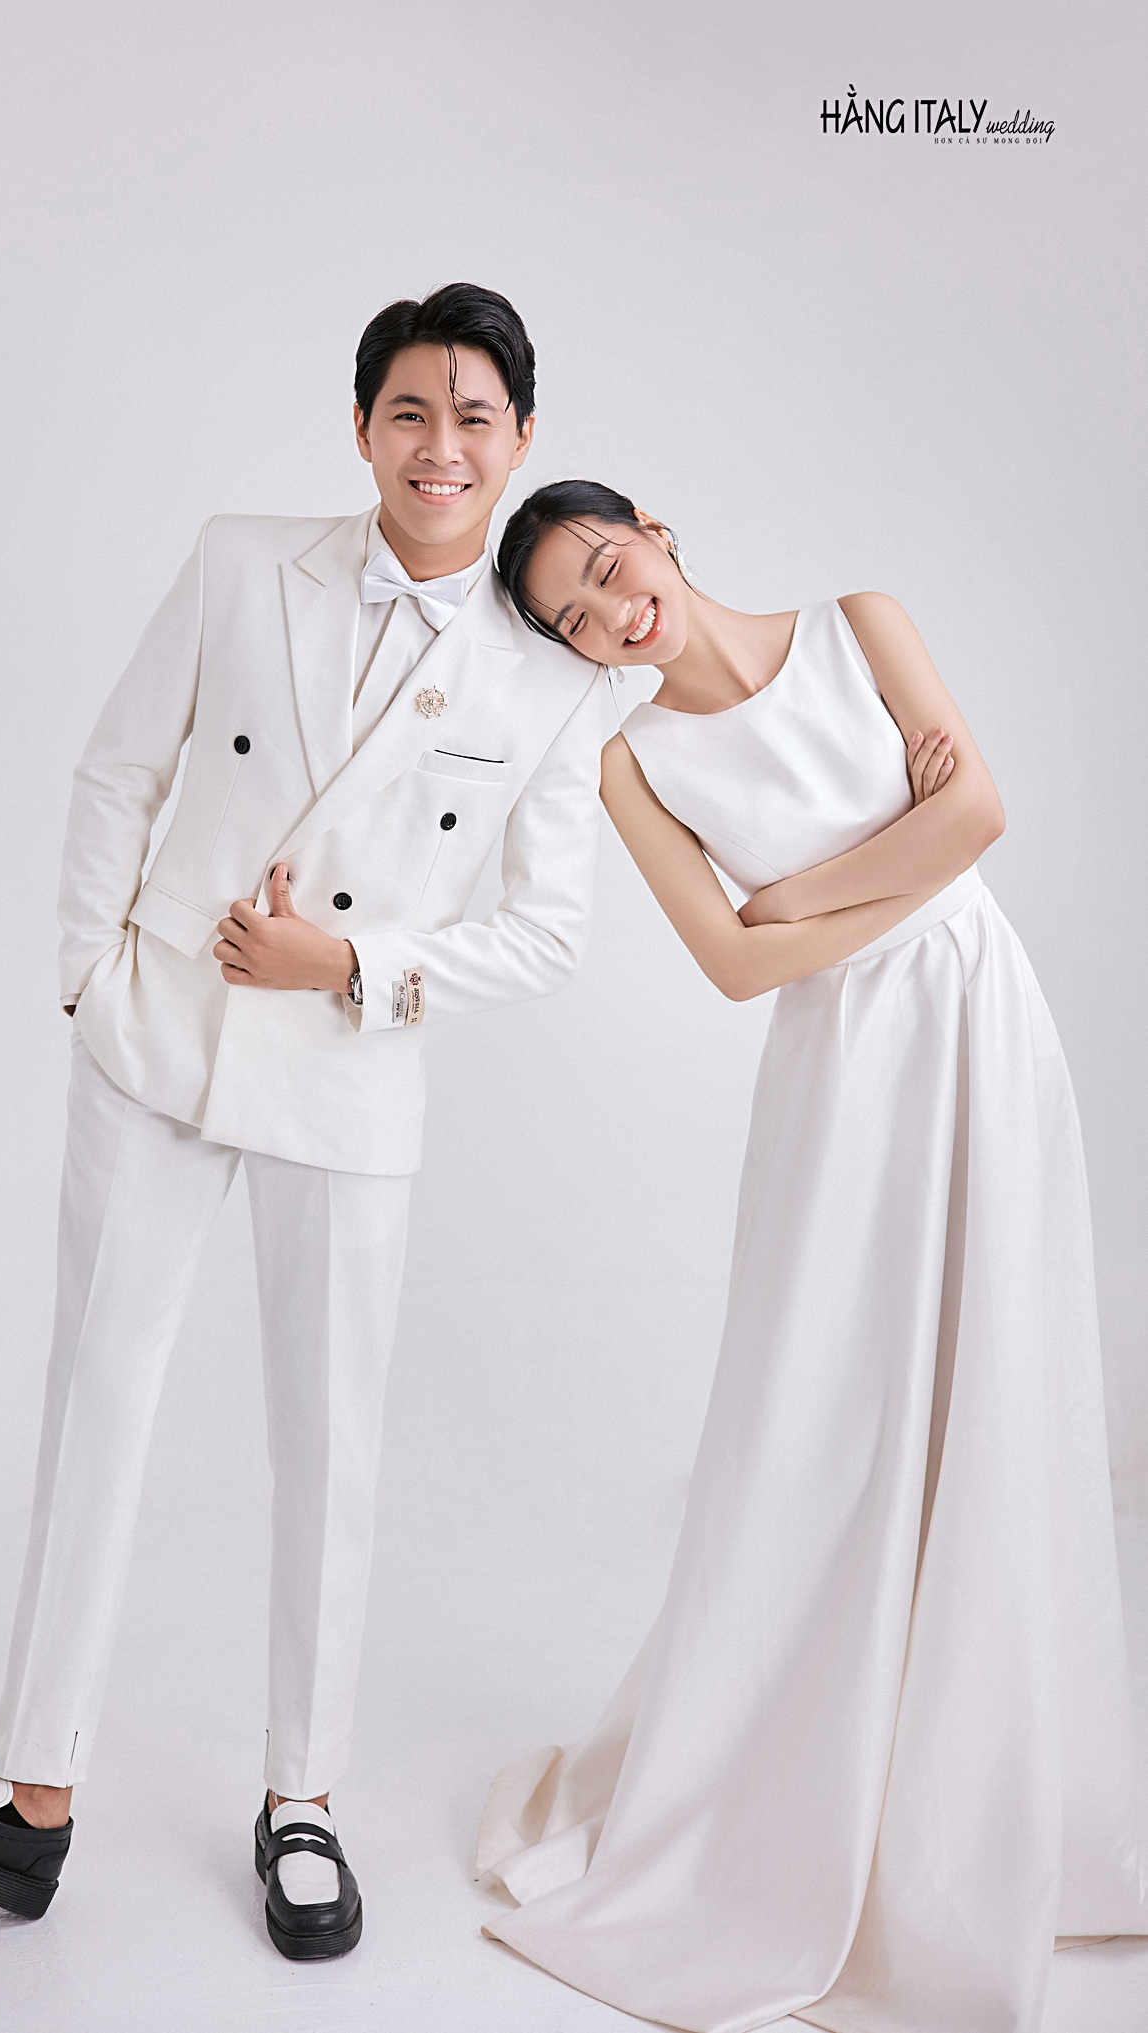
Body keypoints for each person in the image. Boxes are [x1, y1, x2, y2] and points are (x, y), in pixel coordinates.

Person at [0, 288, 611, 1960]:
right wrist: (87, 982)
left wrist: (357, 965)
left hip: (348, 1069)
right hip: (163, 1036)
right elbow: (119, 767)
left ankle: (303, 1797)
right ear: (363, 427)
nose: (441, 445)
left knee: (329, 1448)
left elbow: (549, 933)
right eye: (410, 411)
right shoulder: (241, 559)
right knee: (93, 1400)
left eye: (475, 416)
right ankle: (30, 1796)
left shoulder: (549, 678)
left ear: (521, 442)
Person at [475, 481, 1145, 2032]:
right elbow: (728, 965)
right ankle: (797, 1774)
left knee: (1000, 1365)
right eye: (578, 619)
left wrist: (797, 892)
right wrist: (889, 857)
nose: (614, 613)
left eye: (607, 568)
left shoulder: (862, 625)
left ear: (655, 529)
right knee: (830, 1411)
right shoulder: (633, 763)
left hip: (978, 1015)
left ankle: (986, 1780)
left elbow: (981, 819)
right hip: (842, 1076)